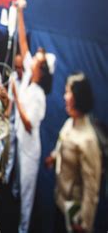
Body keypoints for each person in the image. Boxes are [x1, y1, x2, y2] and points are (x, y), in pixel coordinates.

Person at [11, 0, 55, 233]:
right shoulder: (28, 72)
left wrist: (16, 97)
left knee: (27, 197)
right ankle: (13, 194)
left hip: (31, 152)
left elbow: (29, 123)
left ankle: (22, 228)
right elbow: (23, 40)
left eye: (37, 60)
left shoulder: (39, 95)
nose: (33, 57)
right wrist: (20, 5)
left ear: (41, 71)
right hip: (20, 139)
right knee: (19, 185)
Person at [45, 73, 101, 233]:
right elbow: (62, 144)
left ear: (78, 96)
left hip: (74, 214)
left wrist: (84, 223)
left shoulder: (88, 140)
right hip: (60, 203)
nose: (64, 96)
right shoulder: (70, 123)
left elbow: (92, 188)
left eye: (68, 92)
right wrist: (54, 157)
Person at [4, 54, 24, 197]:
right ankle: (5, 180)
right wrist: (7, 110)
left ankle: (16, 189)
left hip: (22, 125)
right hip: (12, 121)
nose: (18, 70)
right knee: (10, 153)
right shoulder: (13, 78)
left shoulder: (28, 81)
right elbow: (11, 99)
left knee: (20, 159)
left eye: (20, 67)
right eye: (16, 67)